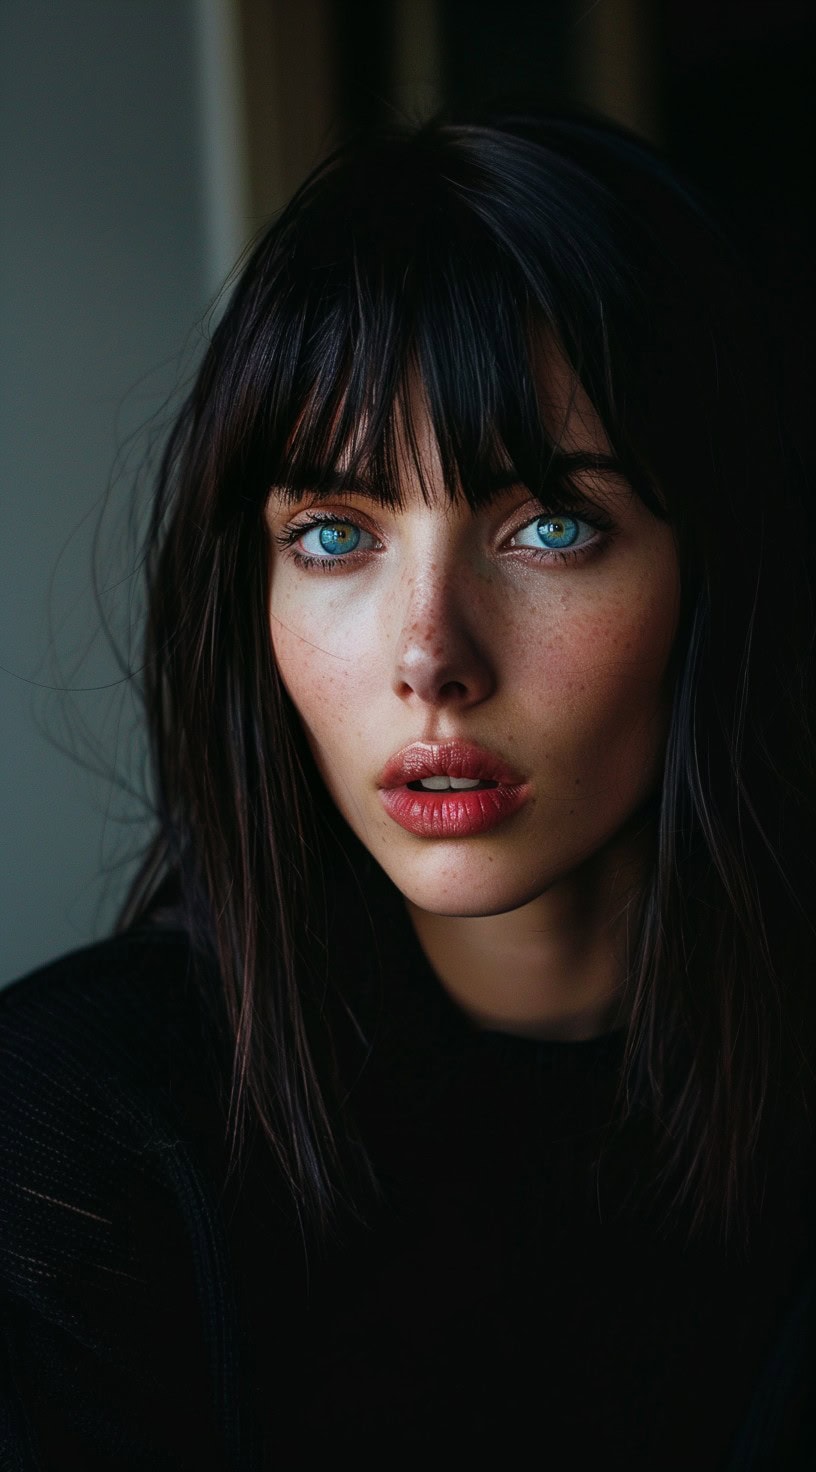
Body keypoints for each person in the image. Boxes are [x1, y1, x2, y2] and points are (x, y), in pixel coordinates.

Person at [1, 102, 814, 1471]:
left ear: (717, 575)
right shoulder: (72, 1141)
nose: (430, 657)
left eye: (551, 526)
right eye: (333, 534)